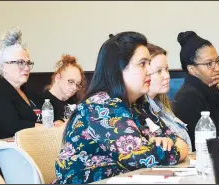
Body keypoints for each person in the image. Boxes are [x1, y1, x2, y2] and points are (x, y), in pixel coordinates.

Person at [54, 32, 188, 184]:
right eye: (142, 63)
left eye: (149, 63)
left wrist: (170, 144)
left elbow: (173, 137)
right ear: (118, 69)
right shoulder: (100, 107)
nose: (149, 70)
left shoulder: (138, 104)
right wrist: (177, 149)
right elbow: (144, 158)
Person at [132, 43, 192, 152]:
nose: (167, 76)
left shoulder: (161, 106)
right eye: (159, 71)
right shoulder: (137, 111)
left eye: (167, 69)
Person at [0, 27, 43, 139]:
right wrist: (45, 128)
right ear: (4, 66)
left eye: (28, 63)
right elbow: (9, 126)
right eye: (20, 63)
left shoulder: (28, 91)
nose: (27, 68)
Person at [37, 54, 87, 126]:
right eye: (71, 81)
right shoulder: (42, 103)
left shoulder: (75, 103)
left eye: (77, 84)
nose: (74, 88)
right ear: (57, 78)